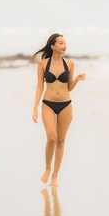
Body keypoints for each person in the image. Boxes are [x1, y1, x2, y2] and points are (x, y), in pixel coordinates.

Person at [32, 33, 86, 186]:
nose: (64, 45)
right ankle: (48, 168)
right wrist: (35, 108)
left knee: (61, 141)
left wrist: (76, 80)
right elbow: (39, 87)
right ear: (52, 46)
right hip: (48, 103)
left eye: (65, 43)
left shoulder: (69, 63)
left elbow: (68, 87)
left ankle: (55, 176)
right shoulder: (43, 64)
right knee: (51, 138)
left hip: (65, 105)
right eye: (61, 43)